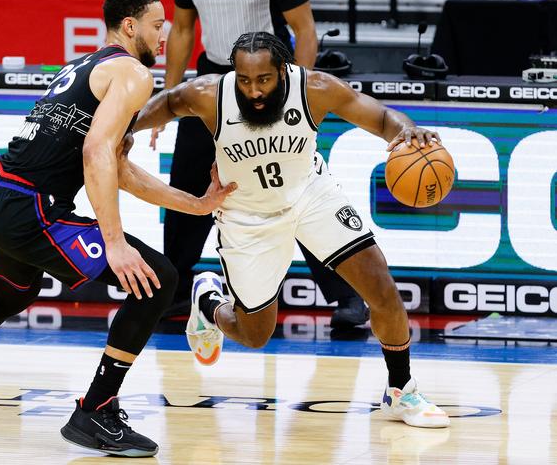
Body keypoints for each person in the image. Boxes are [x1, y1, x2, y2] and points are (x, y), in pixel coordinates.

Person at [0, 0, 235, 458]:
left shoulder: (86, 64)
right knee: (159, 279)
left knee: (14, 291)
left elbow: (116, 167)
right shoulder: (132, 73)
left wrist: (196, 204)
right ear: (130, 26)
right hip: (32, 208)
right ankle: (96, 411)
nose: (164, 36)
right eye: (157, 25)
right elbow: (96, 151)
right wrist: (114, 241)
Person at [134, 31, 450, 428]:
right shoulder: (210, 94)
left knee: (379, 285)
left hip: (311, 196)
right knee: (254, 335)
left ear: (282, 71)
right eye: (245, 80)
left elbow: (382, 117)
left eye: (263, 79)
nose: (254, 91)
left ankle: (401, 390)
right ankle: (209, 305)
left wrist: (405, 131)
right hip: (248, 217)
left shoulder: (315, 88)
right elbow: (169, 101)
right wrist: (130, 126)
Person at [158, 0, 367, 326]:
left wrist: (295, 94)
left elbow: (305, 29)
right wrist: (167, 98)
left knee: (294, 189)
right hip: (213, 79)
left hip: (270, 82)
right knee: (187, 180)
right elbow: (181, 29)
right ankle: (176, 290)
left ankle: (346, 293)